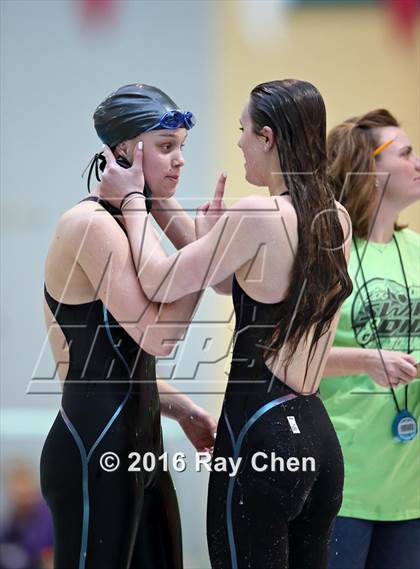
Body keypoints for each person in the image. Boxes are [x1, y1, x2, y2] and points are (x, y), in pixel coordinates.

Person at [98, 79, 353, 569]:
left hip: (262, 436)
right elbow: (227, 284)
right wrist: (171, 210)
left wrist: (131, 201)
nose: (237, 141)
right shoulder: (334, 217)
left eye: (244, 129)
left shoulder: (257, 214)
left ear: (268, 137)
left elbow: (160, 281)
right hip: (318, 441)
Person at [40, 83, 218, 569]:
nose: (179, 160)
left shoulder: (137, 215)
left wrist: (176, 407)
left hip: (141, 450)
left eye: (182, 146)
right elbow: (159, 334)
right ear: (122, 152)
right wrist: (206, 252)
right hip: (93, 455)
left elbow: (217, 277)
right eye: (166, 147)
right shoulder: (91, 225)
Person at [320, 109, 420, 569]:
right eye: (406, 153)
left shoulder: (415, 249)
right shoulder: (329, 252)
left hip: (410, 490)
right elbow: (291, 355)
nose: (417, 162)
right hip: (347, 487)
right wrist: (366, 360)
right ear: (369, 171)